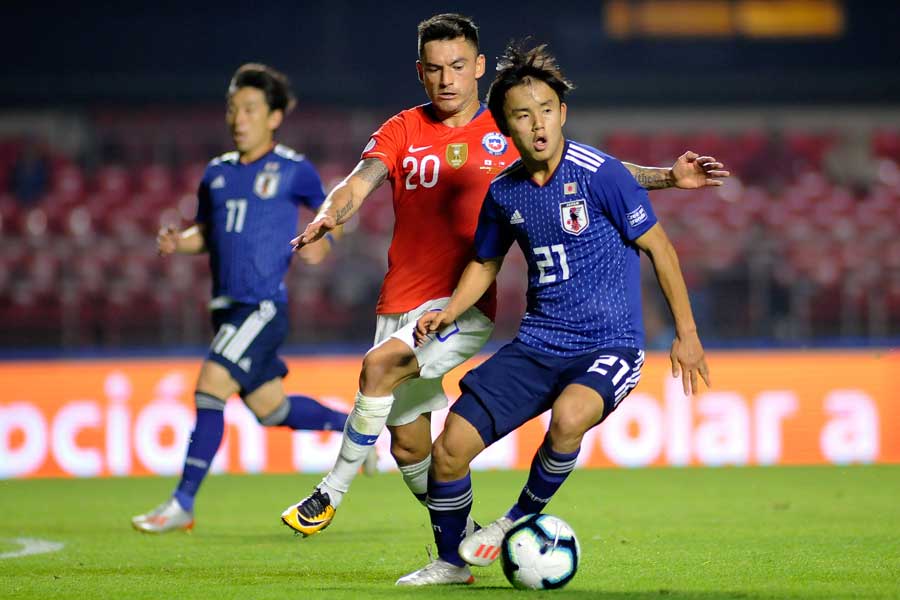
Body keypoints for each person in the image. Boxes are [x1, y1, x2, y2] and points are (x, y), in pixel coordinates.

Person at [280, 13, 726, 538]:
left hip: (461, 304)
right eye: (436, 68)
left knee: (379, 369)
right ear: (420, 72)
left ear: (478, 69)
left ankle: (329, 493)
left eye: (459, 66)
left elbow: (593, 168)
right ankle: (465, 539)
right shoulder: (404, 128)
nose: (447, 79)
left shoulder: (510, 123)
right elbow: (358, 182)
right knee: (411, 448)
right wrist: (332, 211)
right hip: (401, 302)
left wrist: (667, 179)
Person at [396, 41, 710, 585]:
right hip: (538, 345)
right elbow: (485, 263)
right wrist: (449, 311)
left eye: (546, 110)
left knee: (569, 418)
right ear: (504, 126)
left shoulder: (601, 174)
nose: (538, 123)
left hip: (609, 343)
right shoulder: (503, 192)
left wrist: (687, 334)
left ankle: (516, 519)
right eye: (523, 114)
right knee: (449, 450)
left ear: (562, 112)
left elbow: (660, 248)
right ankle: (451, 562)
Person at [132, 63, 362, 534]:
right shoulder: (216, 174)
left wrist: (323, 241)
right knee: (271, 410)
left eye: (250, 109)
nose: (239, 119)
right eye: (233, 109)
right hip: (226, 311)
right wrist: (181, 242)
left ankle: (182, 504)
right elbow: (208, 234)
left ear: (274, 117)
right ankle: (354, 429)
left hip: (262, 307)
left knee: (209, 386)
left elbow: (332, 213)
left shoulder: (293, 169)